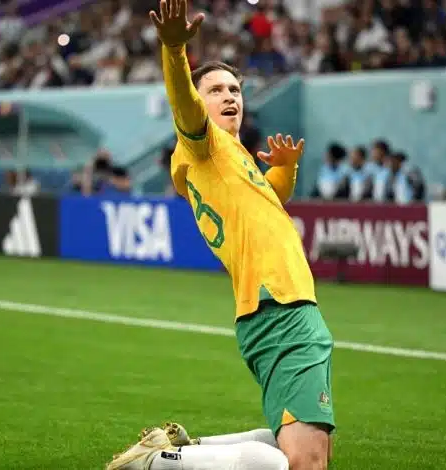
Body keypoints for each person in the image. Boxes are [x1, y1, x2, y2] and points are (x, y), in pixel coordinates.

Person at [106, 1, 335, 470]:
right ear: (198, 101)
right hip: (280, 305)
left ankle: (182, 448)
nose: (230, 96)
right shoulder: (203, 144)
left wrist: (286, 170)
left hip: (277, 305)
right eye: (215, 89)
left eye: (235, 89)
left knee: (300, 445)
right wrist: (174, 51)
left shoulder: (232, 156)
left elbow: (271, 198)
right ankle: (162, 462)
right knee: (305, 462)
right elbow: (183, 104)